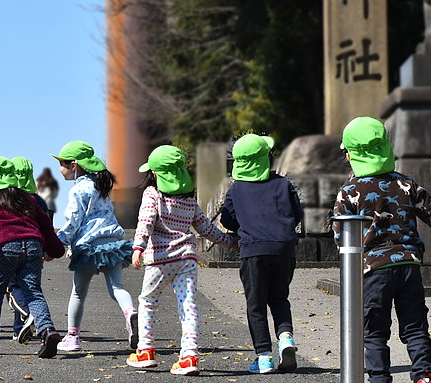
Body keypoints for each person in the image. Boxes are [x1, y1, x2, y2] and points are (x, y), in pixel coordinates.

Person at [332, 116, 431, 383]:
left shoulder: (348, 191)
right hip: (409, 265)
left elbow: (340, 235)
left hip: (373, 269)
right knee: (415, 326)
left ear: (350, 155)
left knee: (374, 330)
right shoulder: (406, 184)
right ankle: (423, 375)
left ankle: (380, 378)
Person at [127, 144, 236, 376]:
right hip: (187, 259)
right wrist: (228, 241)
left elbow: (145, 222)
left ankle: (145, 351)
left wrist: (138, 248)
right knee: (188, 305)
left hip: (159, 259)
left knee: (147, 301)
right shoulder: (189, 199)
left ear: (155, 173)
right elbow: (205, 227)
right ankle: (189, 356)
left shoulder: (152, 194)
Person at [220, 134, 302, 373]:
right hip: (284, 248)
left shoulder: (236, 189)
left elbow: (227, 219)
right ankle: (286, 338)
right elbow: (297, 213)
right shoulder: (284, 183)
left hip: (253, 250)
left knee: (255, 304)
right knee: (279, 297)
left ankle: (264, 357)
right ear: (266, 158)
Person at [0, 156, 64, 358]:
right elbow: (46, 224)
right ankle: (47, 331)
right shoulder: (27, 198)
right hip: (33, 246)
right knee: (33, 292)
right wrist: (55, 249)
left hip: (7, 248)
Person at [52, 141, 136, 353]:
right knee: (117, 287)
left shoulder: (79, 190)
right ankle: (131, 313)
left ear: (74, 165)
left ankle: (72, 337)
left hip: (89, 246)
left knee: (79, 292)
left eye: (62, 163)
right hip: (112, 243)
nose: (59, 169)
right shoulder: (101, 185)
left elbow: (73, 221)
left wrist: (59, 242)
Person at [8, 156, 51, 343]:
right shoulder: (39, 201)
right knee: (31, 288)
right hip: (36, 249)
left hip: (11, 248)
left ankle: (28, 316)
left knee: (13, 288)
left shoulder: (9, 198)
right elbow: (47, 226)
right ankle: (20, 330)